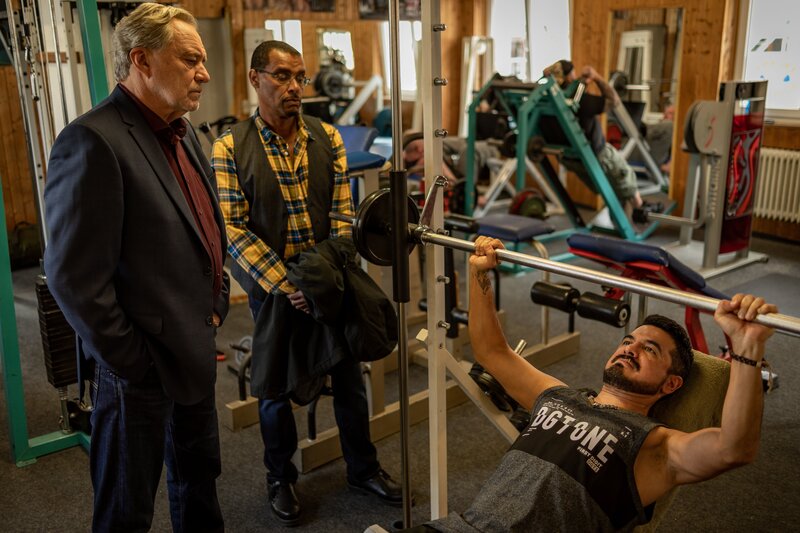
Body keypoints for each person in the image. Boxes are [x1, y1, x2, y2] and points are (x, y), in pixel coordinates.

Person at [417, 236, 777, 532]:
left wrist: (747, 348)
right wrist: (478, 272)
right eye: (627, 342)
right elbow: (493, 352)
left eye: (649, 349)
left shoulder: (654, 446)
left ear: (671, 385)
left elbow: (734, 449)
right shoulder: (558, 396)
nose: (630, 349)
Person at [43, 3, 229, 532]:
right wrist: (133, 359)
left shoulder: (184, 131)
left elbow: (203, 226)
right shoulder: (93, 140)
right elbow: (74, 278)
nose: (204, 73)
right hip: (138, 372)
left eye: (204, 60)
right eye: (191, 59)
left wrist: (213, 307)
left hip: (192, 350)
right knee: (126, 511)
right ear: (142, 60)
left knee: (199, 486)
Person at [211, 40, 401, 527]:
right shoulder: (230, 146)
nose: (293, 86)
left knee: (348, 378)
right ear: (256, 79)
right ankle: (281, 477)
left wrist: (322, 276)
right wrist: (284, 283)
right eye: (281, 76)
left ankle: (363, 469)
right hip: (274, 291)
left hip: (331, 280)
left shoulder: (328, 138)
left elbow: (342, 217)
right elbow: (232, 228)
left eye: (299, 76)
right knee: (274, 390)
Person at [544, 59, 645, 214]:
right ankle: (641, 212)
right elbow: (614, 101)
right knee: (628, 181)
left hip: (569, 159)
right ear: (570, 76)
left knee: (607, 187)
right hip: (597, 156)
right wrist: (596, 77)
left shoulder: (543, 101)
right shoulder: (579, 101)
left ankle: (624, 219)